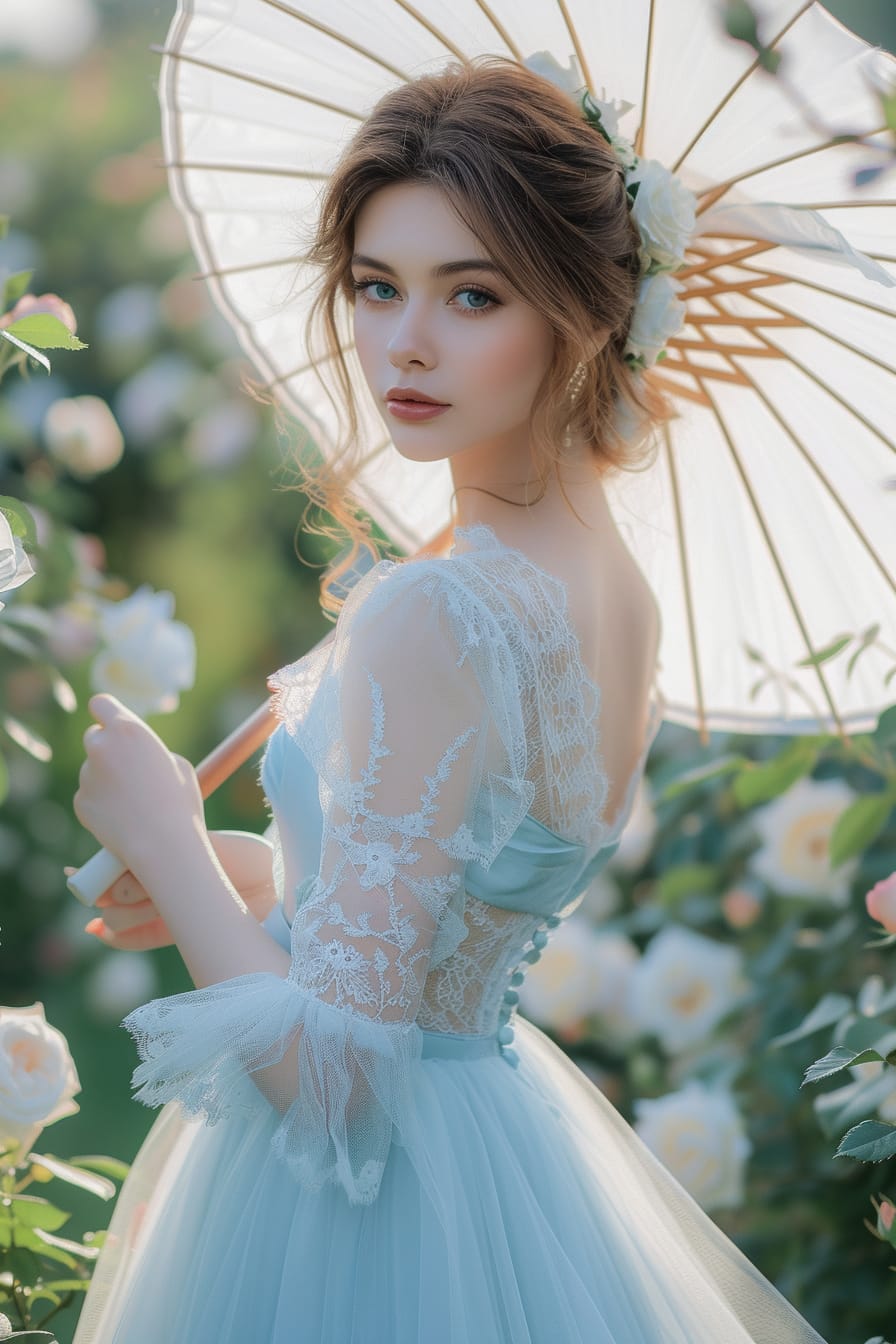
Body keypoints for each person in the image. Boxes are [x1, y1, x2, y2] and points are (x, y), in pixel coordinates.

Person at [70, 56, 828, 1344]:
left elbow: (335, 1089)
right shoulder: (619, 593)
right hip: (496, 1155)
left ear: (586, 312)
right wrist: (277, 876)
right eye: (376, 287)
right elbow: (470, 903)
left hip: (361, 1229)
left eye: (472, 294)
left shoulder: (437, 610)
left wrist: (168, 844)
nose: (403, 343)